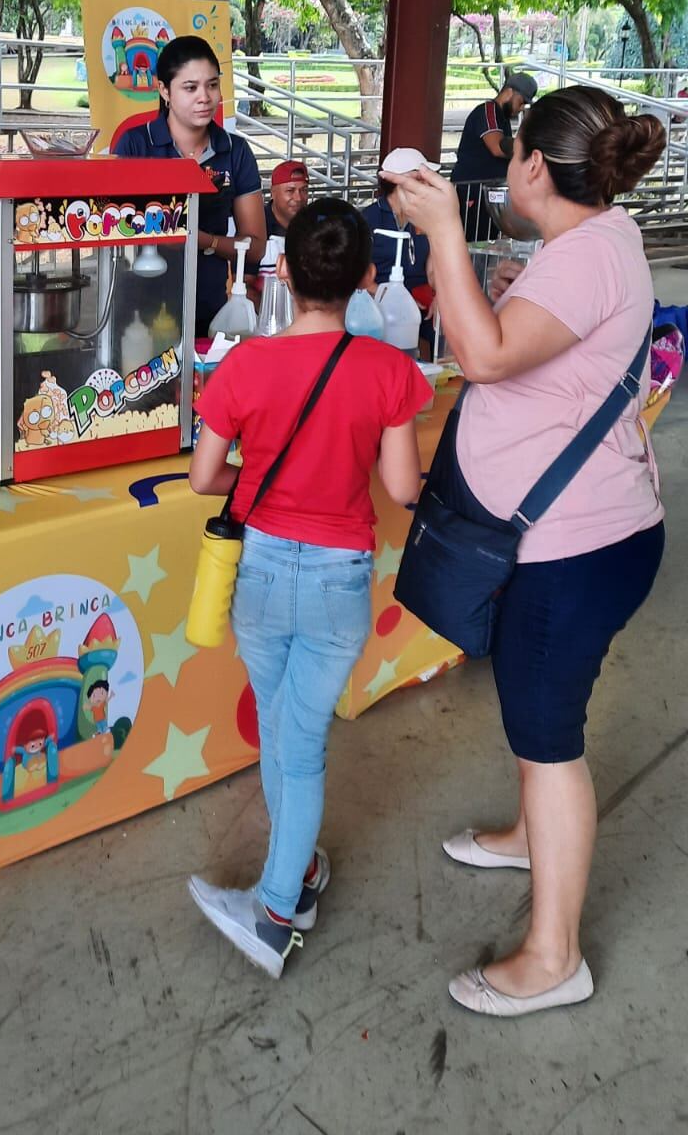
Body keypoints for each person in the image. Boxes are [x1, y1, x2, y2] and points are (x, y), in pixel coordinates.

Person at [384, 85, 666, 1018]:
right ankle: (524, 837)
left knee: (551, 743)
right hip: (579, 536)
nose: (503, 167)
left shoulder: (583, 260)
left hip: (573, 547)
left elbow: (490, 358)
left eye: (511, 154)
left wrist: (444, 235)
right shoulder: (596, 238)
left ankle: (555, 957)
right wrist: (508, 292)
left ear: (537, 168)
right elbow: (538, 335)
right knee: (529, 705)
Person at [185, 200, 432, 976]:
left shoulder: (244, 365)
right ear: (365, 279)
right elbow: (402, 488)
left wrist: (255, 480)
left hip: (259, 569)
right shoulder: (389, 371)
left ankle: (275, 911)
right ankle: (299, 872)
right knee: (298, 738)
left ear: (282, 270)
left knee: (285, 736)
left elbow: (203, 478)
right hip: (339, 580)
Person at [112, 36, 265, 336]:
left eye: (212, 85)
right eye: (190, 87)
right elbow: (112, 231)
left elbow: (255, 247)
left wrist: (203, 240)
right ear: (164, 90)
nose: (205, 97)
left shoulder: (235, 151)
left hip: (212, 307)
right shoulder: (134, 144)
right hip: (138, 308)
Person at [451, 71, 537, 240]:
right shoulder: (488, 111)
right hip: (471, 192)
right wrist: (528, 147)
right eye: (521, 102)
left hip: (485, 195)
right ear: (510, 92)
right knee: (471, 241)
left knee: (484, 241)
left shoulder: (501, 118)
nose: (520, 109)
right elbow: (497, 147)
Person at [361, 146, 436, 291]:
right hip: (377, 301)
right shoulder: (369, 218)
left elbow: (434, 266)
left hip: (421, 297)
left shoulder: (427, 216)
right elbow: (357, 273)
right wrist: (387, 298)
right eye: (420, 179)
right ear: (397, 181)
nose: (427, 185)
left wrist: (439, 295)